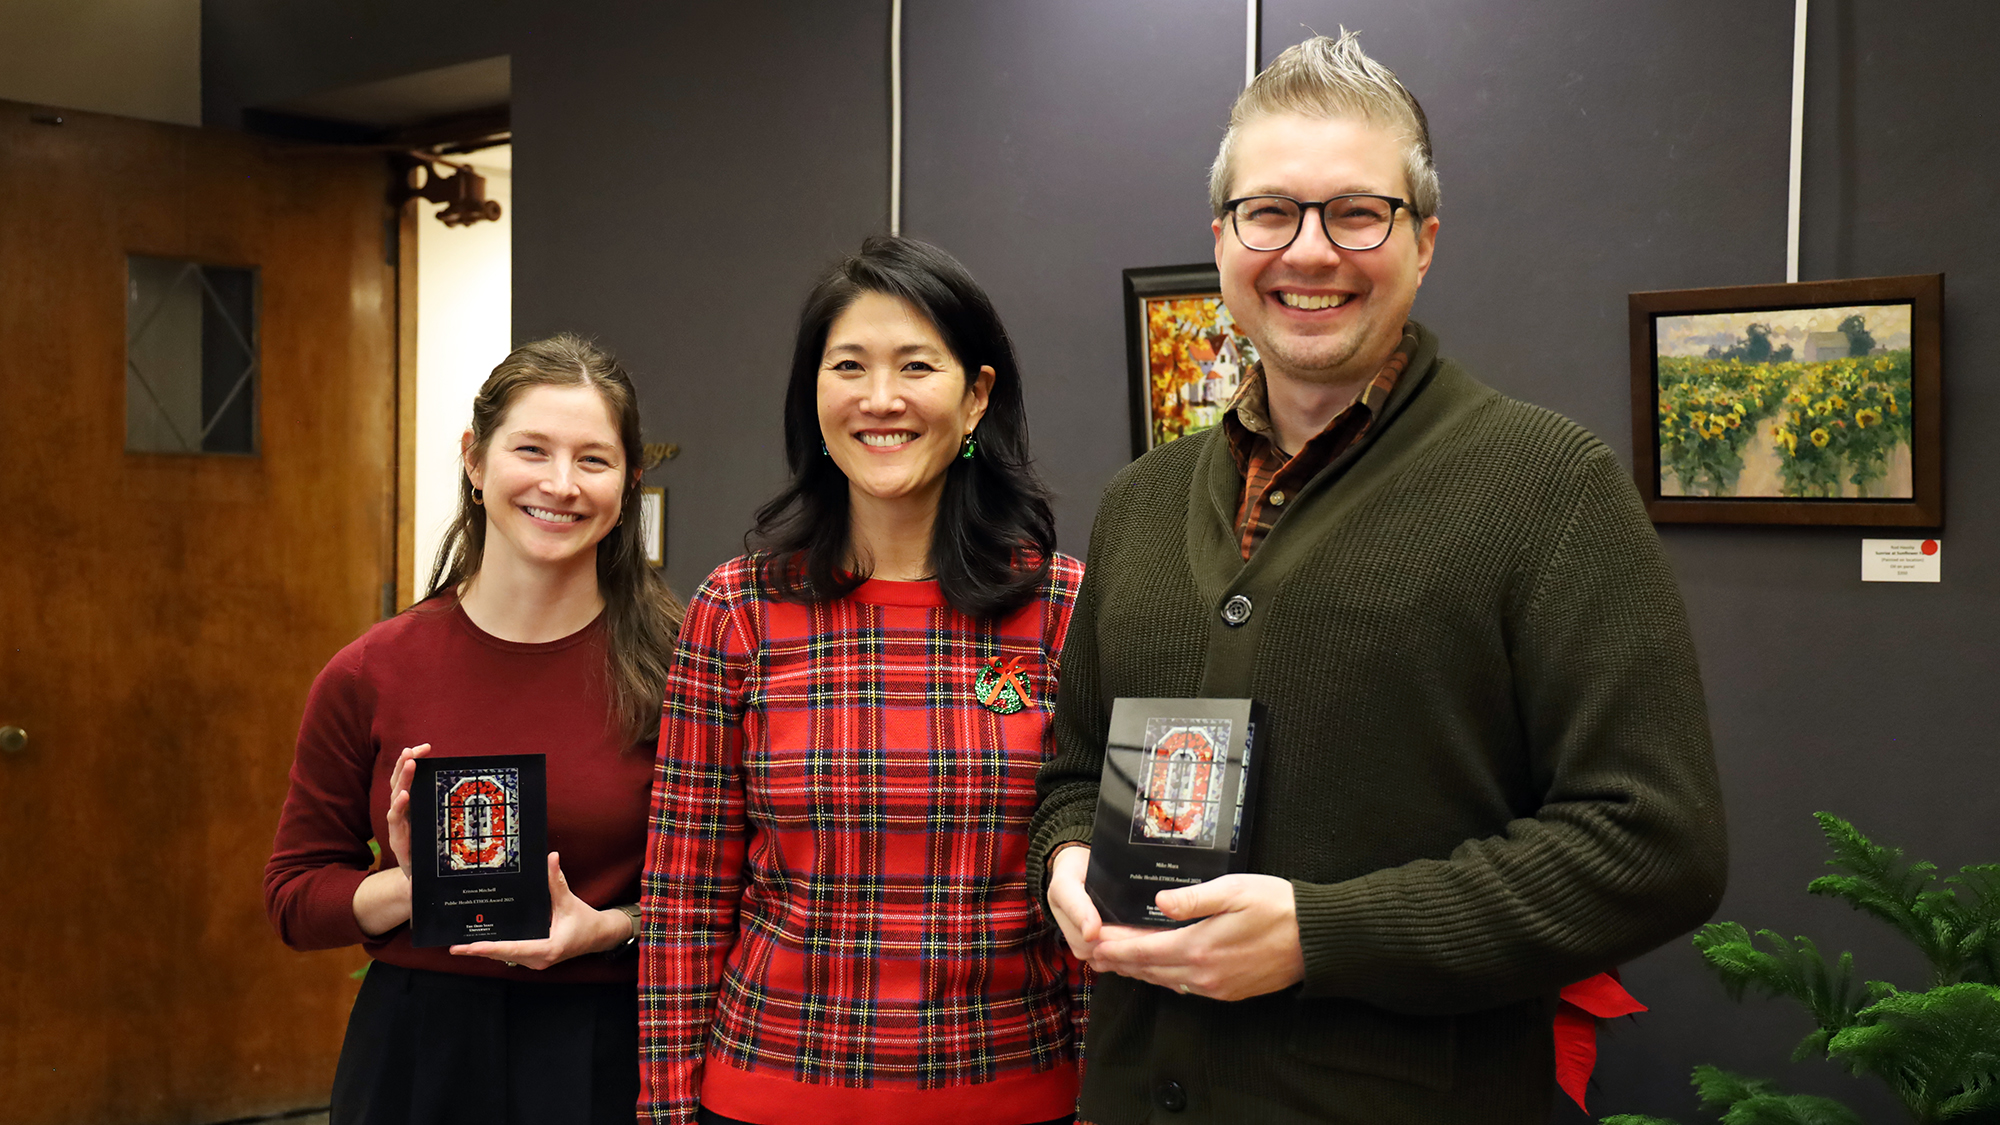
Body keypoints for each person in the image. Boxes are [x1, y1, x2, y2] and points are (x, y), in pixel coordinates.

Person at [1028, 32, 1728, 1124]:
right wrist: (1068, 858)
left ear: (1423, 241)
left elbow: (1652, 843)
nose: (1309, 252)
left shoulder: (1547, 485)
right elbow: (1072, 773)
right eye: (1269, 212)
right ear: (1221, 240)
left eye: (1357, 212)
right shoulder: (1139, 503)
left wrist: (1323, 934)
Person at [639, 237, 1085, 1125]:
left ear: (977, 397)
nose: (881, 399)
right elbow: (683, 900)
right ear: (816, 396)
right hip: (768, 1092)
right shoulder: (737, 610)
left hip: (1020, 1093)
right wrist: (664, 1109)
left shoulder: (1064, 607)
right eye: (850, 365)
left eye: (916, 365)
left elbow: (1099, 898)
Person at [265, 334, 684, 1125]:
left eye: (593, 460)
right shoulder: (369, 672)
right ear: (475, 459)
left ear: (629, 484)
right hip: (418, 1054)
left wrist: (613, 927)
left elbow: (727, 893)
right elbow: (292, 896)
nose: (560, 484)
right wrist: (403, 888)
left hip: (609, 1051)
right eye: (532, 449)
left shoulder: (682, 671)